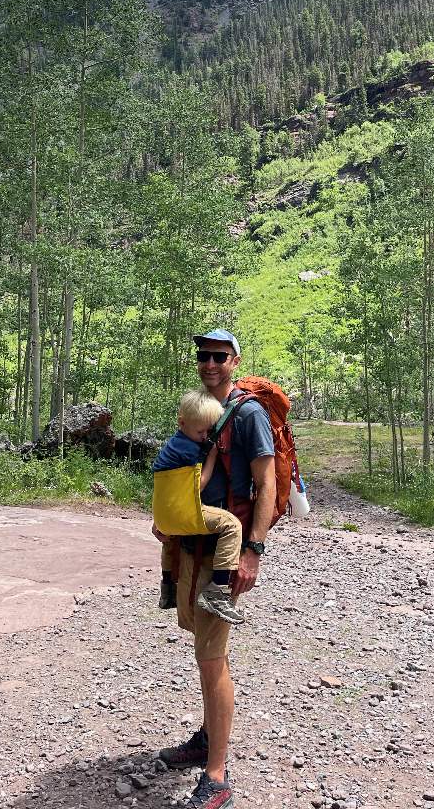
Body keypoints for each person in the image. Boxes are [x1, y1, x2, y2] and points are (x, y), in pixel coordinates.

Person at [154, 328, 275, 809]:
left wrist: (252, 551)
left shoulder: (249, 416)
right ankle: (208, 738)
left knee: (210, 654)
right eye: (204, 356)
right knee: (207, 651)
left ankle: (217, 774)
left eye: (219, 357)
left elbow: (265, 485)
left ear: (235, 360)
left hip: (222, 559)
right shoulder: (199, 413)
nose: (210, 364)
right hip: (192, 547)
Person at [153, 388, 245, 625]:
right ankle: (218, 589)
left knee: (172, 537)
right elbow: (199, 485)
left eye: (209, 431)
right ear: (182, 423)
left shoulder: (173, 444)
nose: (205, 436)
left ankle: (167, 586)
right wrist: (212, 454)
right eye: (200, 431)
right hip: (183, 511)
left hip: (165, 514)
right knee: (231, 525)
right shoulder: (189, 449)